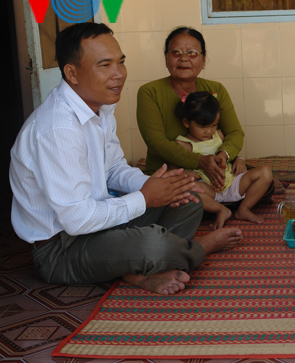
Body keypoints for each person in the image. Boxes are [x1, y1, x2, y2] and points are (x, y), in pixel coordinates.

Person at [9, 23, 242, 296]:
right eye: (104, 65)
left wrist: (160, 186)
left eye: (120, 62)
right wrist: (145, 198)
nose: (119, 74)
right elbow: (77, 220)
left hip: (100, 227)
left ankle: (135, 270)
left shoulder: (101, 107)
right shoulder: (58, 129)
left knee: (188, 195)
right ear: (72, 73)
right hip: (61, 248)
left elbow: (114, 169)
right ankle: (197, 249)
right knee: (153, 245)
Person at [137, 26, 280, 202]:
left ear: (203, 60)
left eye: (192, 53)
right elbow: (156, 143)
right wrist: (200, 162)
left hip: (218, 169)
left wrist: (223, 156)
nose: (183, 58)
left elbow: (235, 133)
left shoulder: (216, 89)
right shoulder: (149, 92)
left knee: (263, 182)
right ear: (166, 58)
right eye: (176, 52)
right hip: (178, 174)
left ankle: (228, 201)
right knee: (184, 199)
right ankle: (224, 204)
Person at [173, 91, 273, 228]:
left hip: (232, 182)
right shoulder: (183, 144)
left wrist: (239, 160)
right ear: (186, 123)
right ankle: (221, 210)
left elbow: (229, 154)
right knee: (187, 189)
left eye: (213, 125)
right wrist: (185, 174)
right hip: (208, 189)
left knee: (266, 173)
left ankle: (243, 209)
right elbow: (173, 172)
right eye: (202, 126)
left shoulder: (219, 136)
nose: (209, 131)